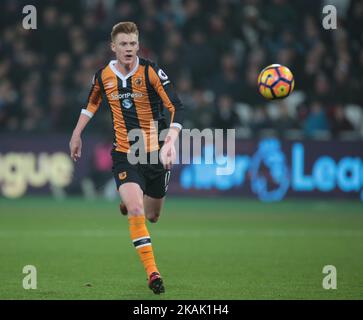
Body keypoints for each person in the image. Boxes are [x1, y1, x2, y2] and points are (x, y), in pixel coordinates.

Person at [69, 21, 183, 294]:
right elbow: (92, 103)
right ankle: (153, 273)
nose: (129, 48)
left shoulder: (151, 71)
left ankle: (129, 201)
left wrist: (170, 142)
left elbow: (175, 106)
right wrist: (76, 134)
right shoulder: (103, 76)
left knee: (152, 216)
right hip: (125, 153)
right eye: (123, 44)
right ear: (113, 47)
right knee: (136, 211)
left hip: (154, 153)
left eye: (133, 43)